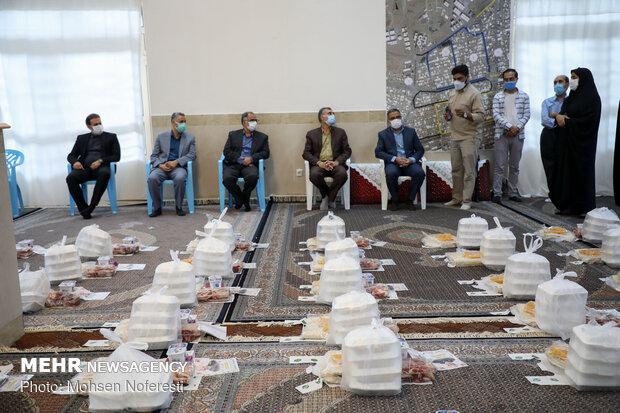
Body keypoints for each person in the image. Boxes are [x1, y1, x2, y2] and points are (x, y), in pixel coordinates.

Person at [551, 67, 601, 216]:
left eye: (574, 78)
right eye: (571, 77)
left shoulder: (592, 98)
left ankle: (584, 207)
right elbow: (564, 114)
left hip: (583, 144)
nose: (572, 81)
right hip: (568, 143)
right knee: (566, 173)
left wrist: (567, 122)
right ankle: (567, 205)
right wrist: (559, 117)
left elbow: (589, 122)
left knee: (582, 174)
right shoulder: (571, 97)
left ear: (583, 80)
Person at [443, 64, 485, 210]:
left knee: (469, 171)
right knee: (456, 169)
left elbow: (481, 116)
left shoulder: (475, 94)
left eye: (460, 78)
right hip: (455, 136)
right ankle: (457, 198)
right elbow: (450, 111)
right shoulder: (452, 93)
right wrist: (448, 116)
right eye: (454, 79)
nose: (457, 82)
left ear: (467, 77)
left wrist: (467, 115)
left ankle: (466, 201)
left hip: (470, 137)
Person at [66, 114, 121, 219]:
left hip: (103, 167)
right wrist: (75, 162)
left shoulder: (111, 137)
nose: (99, 126)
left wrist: (100, 161)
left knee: (104, 173)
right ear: (88, 126)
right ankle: (83, 208)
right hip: (85, 169)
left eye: (100, 123)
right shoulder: (81, 138)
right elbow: (71, 155)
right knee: (71, 178)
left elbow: (116, 156)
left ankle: (91, 207)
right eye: (95, 124)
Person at [491, 68, 531, 203]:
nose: (509, 82)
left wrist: (517, 128)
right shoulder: (498, 97)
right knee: (499, 165)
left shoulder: (524, 96)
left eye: (511, 79)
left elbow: (527, 114)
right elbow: (496, 115)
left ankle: (513, 192)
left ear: (516, 79)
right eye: (506, 80)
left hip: (518, 135)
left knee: (514, 166)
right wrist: (510, 127)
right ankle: (497, 193)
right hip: (501, 135)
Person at [375, 108, 426, 211]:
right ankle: (395, 200)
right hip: (393, 163)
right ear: (388, 121)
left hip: (409, 163)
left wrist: (411, 160)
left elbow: (420, 150)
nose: (396, 120)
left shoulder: (411, 132)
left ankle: (410, 199)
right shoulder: (383, 134)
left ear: (401, 117)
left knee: (420, 173)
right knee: (391, 173)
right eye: (393, 118)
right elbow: (378, 152)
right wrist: (395, 159)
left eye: (398, 117)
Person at [147, 112, 196, 217]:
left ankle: (179, 207)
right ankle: (157, 208)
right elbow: (153, 156)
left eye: (185, 122)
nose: (184, 124)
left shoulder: (190, 138)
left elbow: (192, 155)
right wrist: (160, 165)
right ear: (174, 123)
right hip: (162, 167)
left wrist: (176, 162)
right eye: (181, 122)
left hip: (178, 168)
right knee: (152, 178)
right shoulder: (161, 136)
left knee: (180, 178)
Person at [302, 107, 352, 210]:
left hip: (335, 163)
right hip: (319, 164)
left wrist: (336, 162)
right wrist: (319, 163)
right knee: (314, 175)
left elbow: (347, 151)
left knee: (342, 174)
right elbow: (306, 153)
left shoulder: (341, 132)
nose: (333, 115)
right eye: (329, 113)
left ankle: (328, 198)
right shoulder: (311, 134)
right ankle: (328, 196)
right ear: (322, 117)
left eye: (333, 113)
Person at [222, 112, 270, 211]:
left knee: (253, 177)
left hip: (250, 165)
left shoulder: (262, 137)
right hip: (234, 164)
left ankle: (245, 196)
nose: (255, 122)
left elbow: (266, 153)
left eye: (256, 120)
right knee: (227, 179)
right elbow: (226, 151)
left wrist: (251, 159)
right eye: (252, 120)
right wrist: (239, 160)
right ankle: (240, 198)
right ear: (244, 122)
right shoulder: (233, 135)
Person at [540, 75, 569, 200]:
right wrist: (560, 120)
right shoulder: (547, 102)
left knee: (564, 165)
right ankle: (553, 194)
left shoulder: (571, 101)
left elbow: (571, 119)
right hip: (549, 135)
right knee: (550, 165)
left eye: (560, 81)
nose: (557, 84)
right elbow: (545, 120)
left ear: (567, 84)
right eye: (555, 82)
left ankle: (564, 194)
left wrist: (555, 115)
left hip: (566, 136)